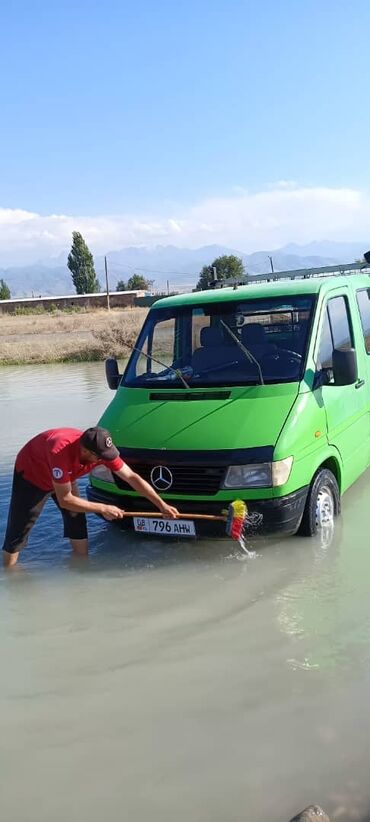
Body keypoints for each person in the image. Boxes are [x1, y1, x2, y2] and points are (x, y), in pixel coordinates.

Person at [2, 426, 179, 568]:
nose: (105, 460)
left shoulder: (101, 450)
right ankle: (8, 573)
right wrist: (103, 508)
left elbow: (131, 477)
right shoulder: (60, 452)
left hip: (65, 477)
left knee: (77, 520)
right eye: (100, 457)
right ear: (86, 451)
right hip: (33, 475)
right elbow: (66, 500)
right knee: (20, 527)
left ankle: (81, 566)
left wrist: (161, 505)